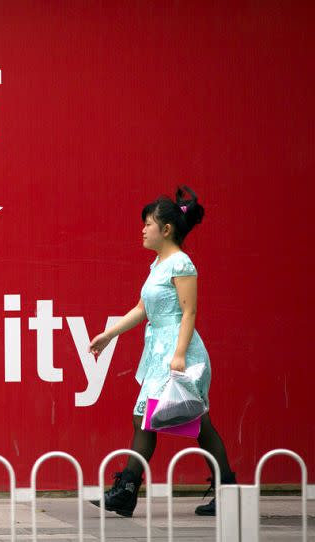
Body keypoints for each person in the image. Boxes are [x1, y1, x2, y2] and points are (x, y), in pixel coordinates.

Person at [88, 186, 235, 517]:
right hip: (159, 354)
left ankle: (128, 489)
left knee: (169, 421)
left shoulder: (181, 263)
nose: (142, 229)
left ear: (166, 229)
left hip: (179, 353)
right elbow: (142, 309)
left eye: (148, 224)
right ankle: (225, 490)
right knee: (176, 422)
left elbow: (189, 312)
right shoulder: (158, 264)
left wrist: (180, 355)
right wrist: (109, 334)